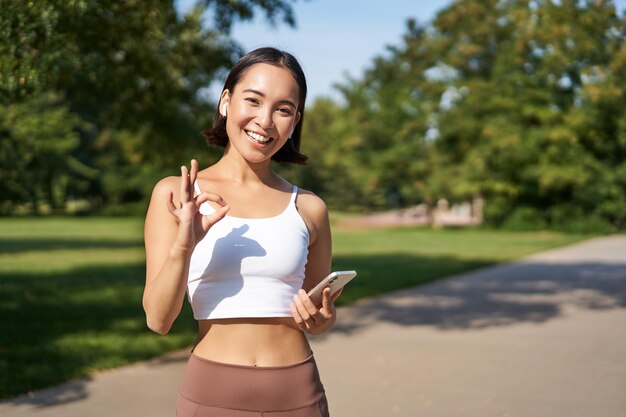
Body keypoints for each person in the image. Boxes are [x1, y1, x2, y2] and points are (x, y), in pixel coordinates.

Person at [143, 47, 341, 417]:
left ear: (295, 120)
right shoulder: (176, 194)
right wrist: (184, 243)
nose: (265, 120)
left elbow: (315, 312)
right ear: (225, 101)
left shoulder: (310, 208)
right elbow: (158, 320)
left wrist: (323, 321)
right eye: (253, 100)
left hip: (297, 394)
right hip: (211, 394)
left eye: (283, 109)